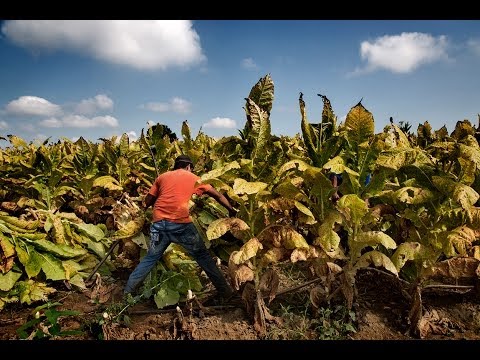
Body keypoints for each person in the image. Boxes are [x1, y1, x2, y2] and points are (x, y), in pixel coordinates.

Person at [124, 154, 237, 301]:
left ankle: (127, 293)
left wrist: (150, 204)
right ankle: (226, 293)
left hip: (159, 223)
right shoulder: (194, 178)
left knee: (151, 258)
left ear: (175, 166)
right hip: (181, 224)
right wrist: (231, 209)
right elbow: (216, 195)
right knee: (203, 257)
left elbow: (148, 200)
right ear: (188, 167)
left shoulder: (162, 177)